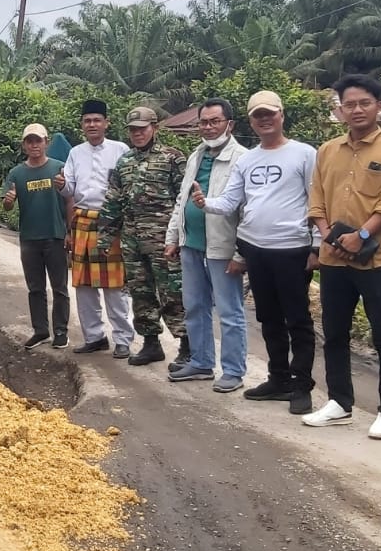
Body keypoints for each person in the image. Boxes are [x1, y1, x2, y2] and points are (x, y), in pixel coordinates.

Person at [191, 91, 321, 413]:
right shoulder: (248, 159)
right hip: (256, 249)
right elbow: (231, 201)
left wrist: (317, 245)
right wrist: (206, 203)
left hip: (292, 249)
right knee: (269, 318)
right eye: (257, 115)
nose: (264, 120)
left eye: (269, 114)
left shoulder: (304, 154)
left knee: (298, 320)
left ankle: (301, 385)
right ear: (250, 121)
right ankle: (278, 379)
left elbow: (318, 201)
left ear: (281, 115)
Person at [304, 73, 381, 439]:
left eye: (364, 103)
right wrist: (326, 237)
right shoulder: (327, 151)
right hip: (334, 258)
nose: (356, 110)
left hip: (377, 257)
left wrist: (362, 234)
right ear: (340, 110)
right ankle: (339, 402)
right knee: (334, 332)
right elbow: (317, 199)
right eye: (349, 104)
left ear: (378, 106)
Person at [164, 97, 250, 393]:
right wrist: (173, 237)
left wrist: (241, 253)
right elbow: (182, 199)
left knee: (229, 310)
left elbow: (246, 210)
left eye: (215, 121)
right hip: (191, 244)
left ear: (230, 124)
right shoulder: (196, 155)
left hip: (222, 247)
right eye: (204, 122)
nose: (209, 127)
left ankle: (234, 370)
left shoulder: (243, 158)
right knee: (195, 306)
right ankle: (201, 362)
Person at [96, 106, 186, 367]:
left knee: (173, 292)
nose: (137, 134)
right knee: (141, 292)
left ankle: (186, 345)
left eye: (142, 129)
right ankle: (151, 343)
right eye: (133, 130)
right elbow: (112, 200)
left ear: (154, 128)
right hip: (132, 239)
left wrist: (180, 237)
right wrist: (105, 237)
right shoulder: (124, 162)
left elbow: (184, 200)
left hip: (164, 241)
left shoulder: (173, 158)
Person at [57, 99, 136, 356]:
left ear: (106, 123)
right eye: (87, 120)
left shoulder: (121, 150)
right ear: (82, 125)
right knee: (83, 285)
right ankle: (94, 337)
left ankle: (123, 339)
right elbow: (69, 190)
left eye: (97, 120)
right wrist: (61, 184)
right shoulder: (75, 153)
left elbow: (128, 187)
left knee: (114, 285)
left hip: (110, 222)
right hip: (82, 221)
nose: (92, 124)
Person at [2, 123, 70, 349]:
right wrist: (9, 201)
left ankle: (61, 331)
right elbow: (7, 205)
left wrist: (69, 231)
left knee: (60, 288)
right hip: (29, 239)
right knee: (35, 288)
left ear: (46, 142)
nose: (34, 145)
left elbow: (70, 199)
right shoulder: (16, 173)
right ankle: (40, 331)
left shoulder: (59, 168)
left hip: (56, 236)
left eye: (38, 140)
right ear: (24, 145)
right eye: (29, 141)